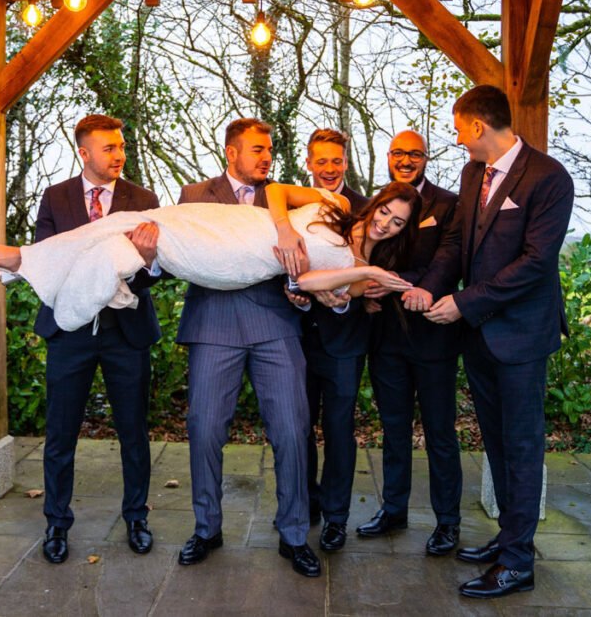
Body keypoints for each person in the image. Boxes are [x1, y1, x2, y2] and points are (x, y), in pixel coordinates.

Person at [174, 119, 409, 579]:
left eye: (270, 150)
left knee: (292, 430)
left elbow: (316, 254)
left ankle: (295, 534)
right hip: (212, 323)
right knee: (204, 429)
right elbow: (185, 255)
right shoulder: (194, 195)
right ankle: (207, 528)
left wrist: (300, 290)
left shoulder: (286, 196)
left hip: (277, 324)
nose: (265, 158)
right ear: (231, 153)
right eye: (257, 150)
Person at [410, 86, 574, 598]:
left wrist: (465, 302)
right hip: (479, 335)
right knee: (497, 441)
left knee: (522, 446)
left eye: (460, 129)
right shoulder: (472, 173)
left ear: (478, 126)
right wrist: (429, 287)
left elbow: (535, 263)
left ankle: (519, 563)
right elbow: (458, 241)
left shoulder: (548, 178)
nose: (458, 140)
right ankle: (509, 537)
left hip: (521, 335)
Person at [29, 114, 162, 565]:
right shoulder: (55, 198)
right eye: (109, 148)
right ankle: (56, 524)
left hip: (127, 332)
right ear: (84, 152)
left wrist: (144, 262)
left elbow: (153, 272)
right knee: (60, 434)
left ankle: (136, 518)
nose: (119, 155)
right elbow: (49, 263)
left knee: (133, 432)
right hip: (69, 331)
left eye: (121, 146)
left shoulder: (142, 200)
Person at [356, 130, 464, 558]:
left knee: (440, 432)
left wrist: (409, 285)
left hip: (433, 334)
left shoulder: (447, 204)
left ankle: (448, 522)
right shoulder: (375, 206)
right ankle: (394, 509)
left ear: (426, 158)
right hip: (385, 337)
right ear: (388, 157)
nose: (406, 159)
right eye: (399, 152)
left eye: (414, 154)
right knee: (393, 429)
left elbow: (447, 259)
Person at [288, 128, 370, 553]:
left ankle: (337, 517)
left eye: (336, 160)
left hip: (345, 336)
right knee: (298, 427)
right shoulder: (290, 204)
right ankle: (307, 504)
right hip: (298, 335)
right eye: (321, 160)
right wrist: (295, 291)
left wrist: (343, 298)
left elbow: (369, 269)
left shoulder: (364, 210)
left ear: (345, 162)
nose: (328, 168)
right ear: (308, 162)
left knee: (339, 429)